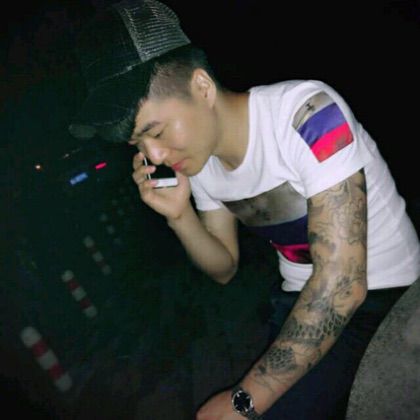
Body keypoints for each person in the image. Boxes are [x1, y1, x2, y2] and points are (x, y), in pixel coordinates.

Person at [68, 1, 420, 419]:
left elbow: (344, 284)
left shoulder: (307, 112)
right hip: (299, 301)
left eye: (155, 131)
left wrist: (245, 400)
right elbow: (224, 268)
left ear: (202, 87)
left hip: (389, 296)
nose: (154, 155)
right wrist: (179, 216)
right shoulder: (200, 164)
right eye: (139, 144)